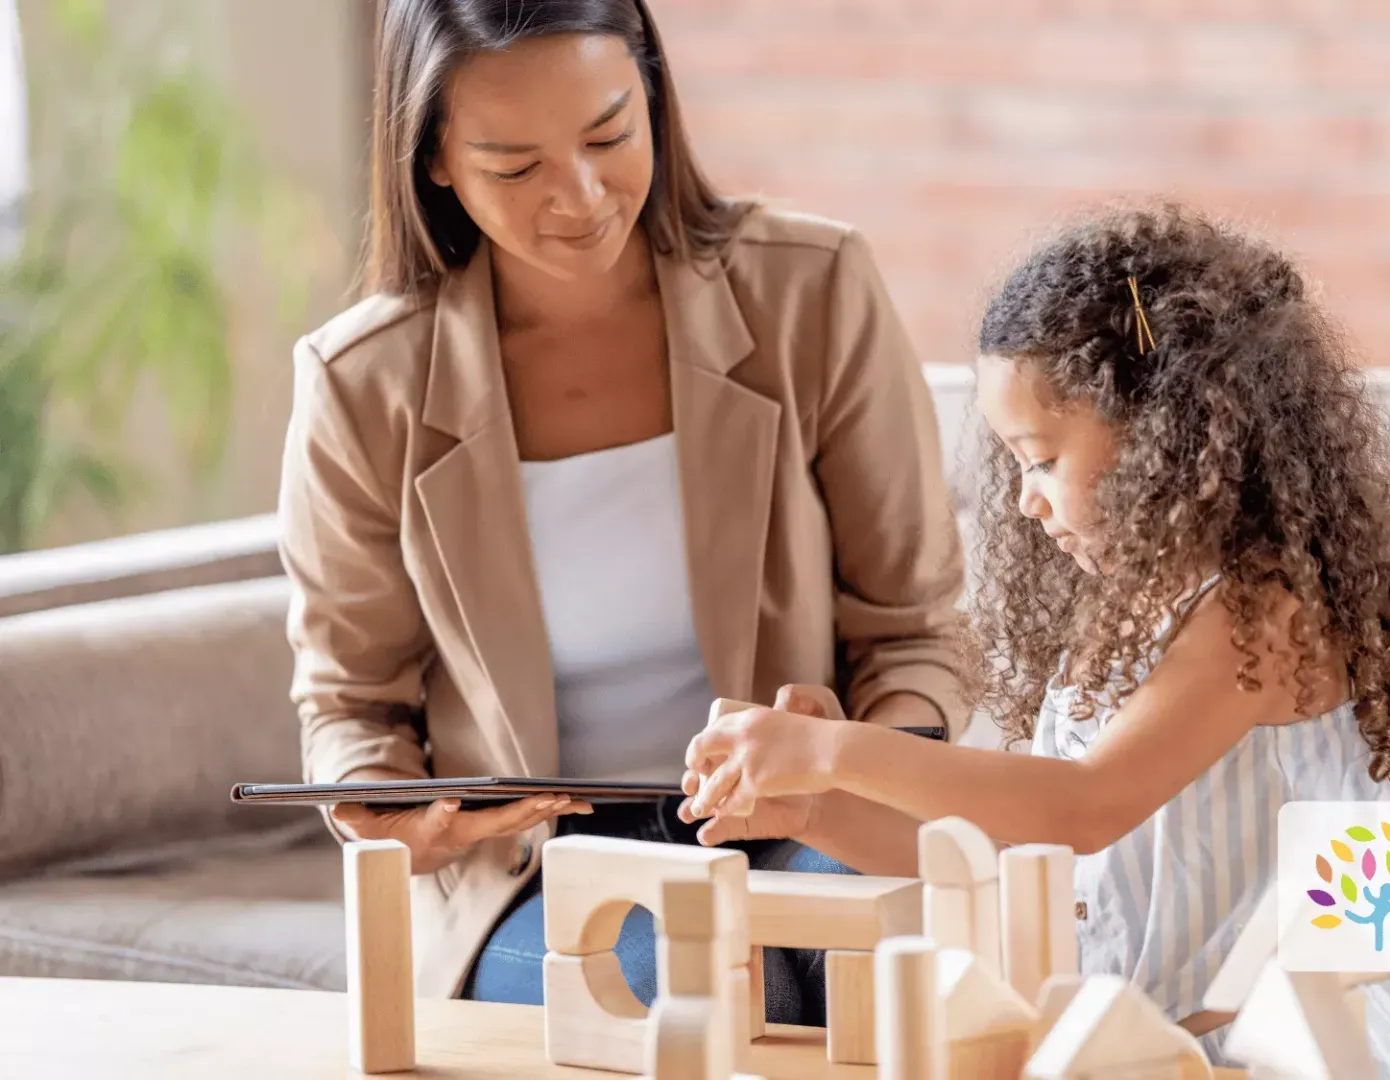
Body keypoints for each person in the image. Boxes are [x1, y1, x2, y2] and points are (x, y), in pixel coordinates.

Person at [276, 0, 967, 1019]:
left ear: (652, 94)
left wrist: (852, 754)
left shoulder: (810, 291)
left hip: (806, 816)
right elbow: (351, 704)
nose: (584, 196)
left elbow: (915, 633)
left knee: (892, 969)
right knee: (717, 992)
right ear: (432, 160)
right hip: (538, 868)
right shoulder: (361, 383)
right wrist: (390, 815)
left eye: (609, 134)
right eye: (516, 167)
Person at [673, 203, 1390, 1072]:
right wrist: (818, 809)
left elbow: (1085, 805)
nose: (1025, 498)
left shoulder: (1265, 615)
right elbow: (1022, 857)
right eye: (1013, 462)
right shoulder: (1123, 617)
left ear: (1173, 432)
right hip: (1132, 1052)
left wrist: (835, 749)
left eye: (1043, 458)